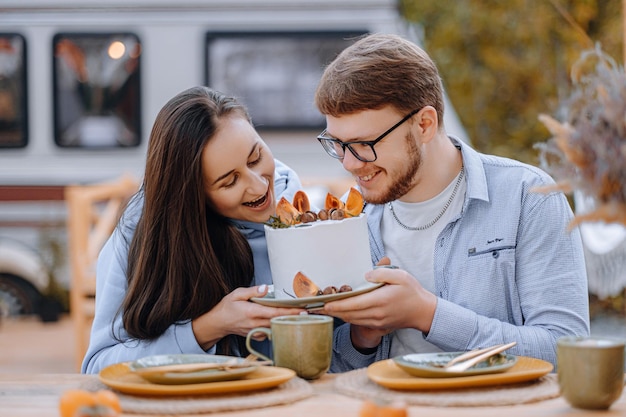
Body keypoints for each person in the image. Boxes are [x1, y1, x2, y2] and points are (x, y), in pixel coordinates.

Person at [314, 33, 590, 372]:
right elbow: (330, 372)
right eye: (337, 144)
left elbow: (567, 352)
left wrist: (428, 314)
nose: (349, 163)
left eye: (363, 144)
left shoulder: (528, 197)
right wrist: (363, 337)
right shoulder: (344, 218)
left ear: (424, 124)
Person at [82, 86, 304, 374]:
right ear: (194, 198)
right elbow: (98, 367)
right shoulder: (145, 234)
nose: (259, 186)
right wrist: (209, 327)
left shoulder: (306, 216)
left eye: (255, 157)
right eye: (229, 182)